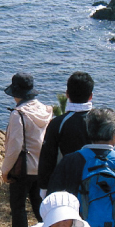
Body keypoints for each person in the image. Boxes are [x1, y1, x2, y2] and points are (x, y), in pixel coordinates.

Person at [1, 72, 53, 227]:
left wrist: (5, 171)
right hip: (43, 167)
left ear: (16, 93)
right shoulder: (46, 110)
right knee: (40, 206)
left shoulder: (19, 115)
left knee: (18, 208)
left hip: (23, 169)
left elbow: (14, 148)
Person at [37, 71, 94, 199]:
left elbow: (47, 158)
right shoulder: (100, 120)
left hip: (64, 187)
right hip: (94, 186)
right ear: (91, 95)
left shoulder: (58, 123)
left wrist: (44, 188)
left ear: (67, 94)